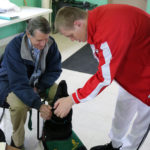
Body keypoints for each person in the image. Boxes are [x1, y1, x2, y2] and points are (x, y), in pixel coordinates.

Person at [53, 4, 150, 150]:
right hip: (137, 64)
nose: (72, 40)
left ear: (78, 24)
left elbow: (104, 77)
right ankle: (115, 145)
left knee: (142, 120)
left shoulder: (107, 31)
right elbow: (103, 60)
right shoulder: (93, 19)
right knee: (122, 109)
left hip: (147, 74)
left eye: (71, 35)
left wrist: (72, 99)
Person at [0, 16, 62, 149]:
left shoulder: (50, 43)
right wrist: (39, 105)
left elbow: (55, 70)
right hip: (11, 83)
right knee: (19, 106)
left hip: (37, 82)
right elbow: (19, 84)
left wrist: (39, 87)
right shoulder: (14, 47)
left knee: (60, 95)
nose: (43, 44)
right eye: (39, 40)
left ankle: (54, 131)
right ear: (28, 34)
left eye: (46, 39)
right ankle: (17, 141)